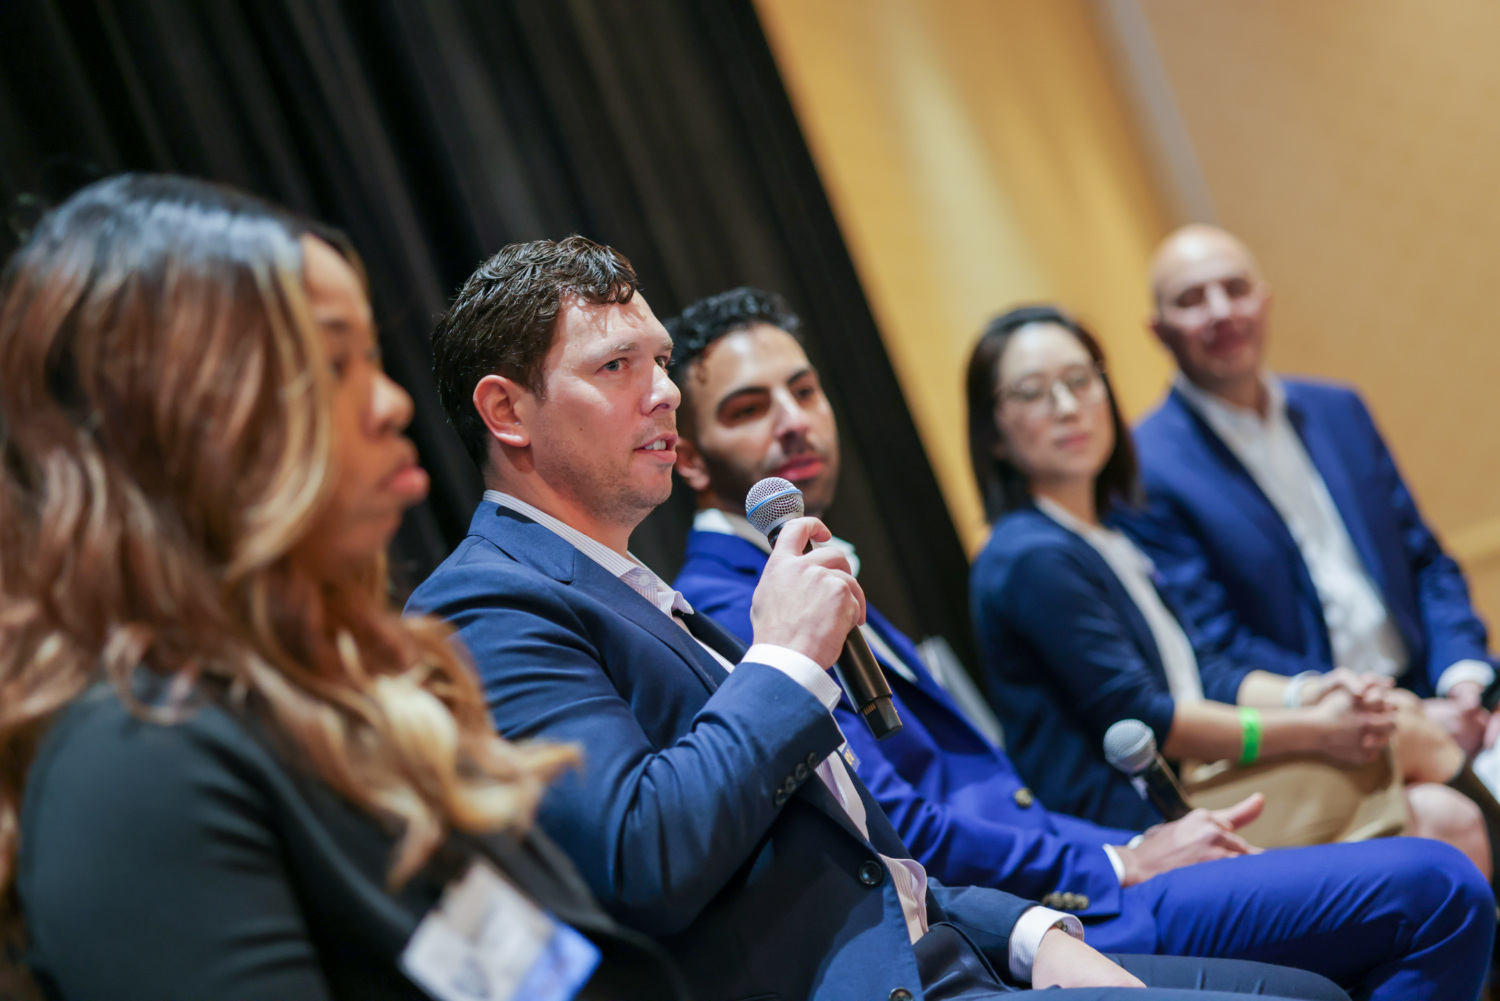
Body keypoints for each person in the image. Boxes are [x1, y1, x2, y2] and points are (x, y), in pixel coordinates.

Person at [408, 237, 1357, 1001]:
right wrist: (782, 660)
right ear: (508, 411)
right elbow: (644, 854)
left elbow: (856, 838)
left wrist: (1028, 931)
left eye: (659, 361)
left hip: (949, 943)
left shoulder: (627, 582)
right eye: (617, 365)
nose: (662, 391)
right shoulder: (488, 601)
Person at [666, 286, 1494, 1001]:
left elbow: (1205, 659)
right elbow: (901, 820)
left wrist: (1312, 700)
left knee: (1432, 855)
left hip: (1069, 854)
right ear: (692, 458)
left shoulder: (817, 564)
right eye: (749, 408)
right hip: (1034, 893)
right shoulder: (743, 603)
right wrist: (1120, 856)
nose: (792, 422)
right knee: (1438, 878)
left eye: (804, 390)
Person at [0, 176, 685, 1001]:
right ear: (177, 418)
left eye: (371, 357)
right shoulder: (136, 763)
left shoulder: (348, 695)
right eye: (332, 364)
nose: (392, 402)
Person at [1116, 225, 1497, 772]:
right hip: (1322, 734)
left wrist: (1463, 679)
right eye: (1192, 299)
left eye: (1235, 288)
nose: (1221, 311)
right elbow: (1215, 644)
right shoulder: (1144, 468)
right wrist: (1392, 713)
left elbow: (1425, 561)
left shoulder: (1340, 410)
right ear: (1158, 330)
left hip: (1438, 685)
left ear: (1264, 301)